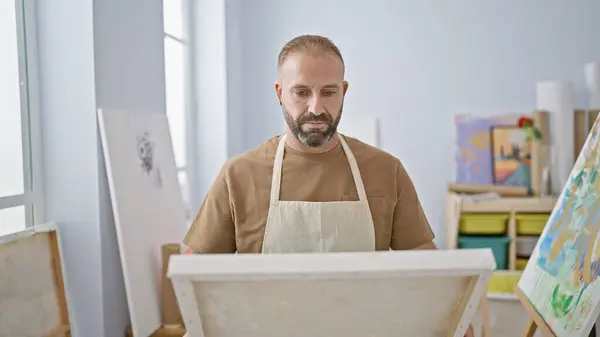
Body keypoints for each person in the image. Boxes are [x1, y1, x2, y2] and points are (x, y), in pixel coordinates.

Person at [182, 34, 474, 337]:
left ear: (344, 92)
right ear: (279, 92)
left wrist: (456, 315)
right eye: (301, 92)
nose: (316, 108)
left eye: (329, 92)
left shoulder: (386, 171)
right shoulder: (239, 175)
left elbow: (425, 265)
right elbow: (194, 276)